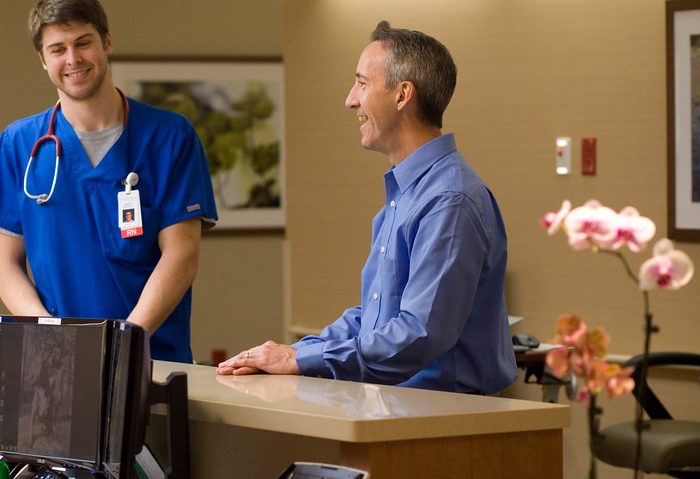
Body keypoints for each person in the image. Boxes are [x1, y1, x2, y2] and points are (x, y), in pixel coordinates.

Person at [218, 21, 518, 395]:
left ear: (402, 94)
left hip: (447, 420)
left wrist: (299, 361)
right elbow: (374, 319)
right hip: (404, 407)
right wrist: (291, 352)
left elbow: (418, 333)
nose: (350, 99)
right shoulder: (408, 191)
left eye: (362, 83)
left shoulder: (448, 199)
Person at [0, 0, 217, 363]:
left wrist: (125, 345)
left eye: (83, 42)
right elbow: (5, 264)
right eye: (58, 49)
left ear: (107, 43)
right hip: (58, 361)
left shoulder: (170, 137)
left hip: (150, 360)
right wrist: (48, 334)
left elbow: (181, 256)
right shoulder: (19, 144)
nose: (73, 59)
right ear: (43, 59)